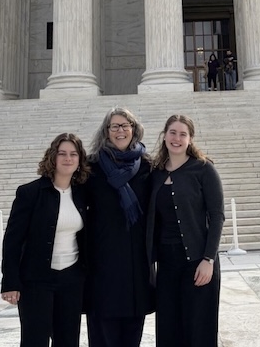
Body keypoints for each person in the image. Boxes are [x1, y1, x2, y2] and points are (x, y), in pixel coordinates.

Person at [0, 133, 90, 347]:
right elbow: (12, 240)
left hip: (71, 278)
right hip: (36, 279)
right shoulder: (30, 193)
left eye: (73, 154)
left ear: (79, 160)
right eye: (62, 153)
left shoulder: (82, 194)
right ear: (53, 157)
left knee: (68, 340)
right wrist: (10, 282)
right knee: (35, 340)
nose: (68, 158)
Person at [147, 115, 224, 347]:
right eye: (172, 132)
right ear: (165, 135)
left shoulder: (203, 169)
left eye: (182, 134)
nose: (177, 138)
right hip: (168, 265)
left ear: (190, 139)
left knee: (199, 329)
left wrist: (208, 259)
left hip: (198, 262)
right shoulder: (156, 173)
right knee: (169, 329)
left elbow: (217, 215)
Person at [85, 107, 155, 347]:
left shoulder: (147, 166)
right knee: (103, 335)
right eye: (115, 126)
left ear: (134, 130)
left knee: (132, 336)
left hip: (135, 266)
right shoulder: (91, 167)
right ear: (106, 131)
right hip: (103, 265)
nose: (120, 130)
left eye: (126, 125)